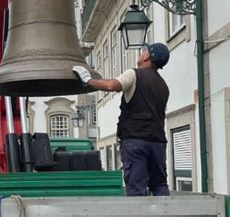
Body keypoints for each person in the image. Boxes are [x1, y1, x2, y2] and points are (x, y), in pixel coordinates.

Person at [73, 42, 170, 196]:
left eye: (142, 51)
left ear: (146, 56)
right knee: (160, 186)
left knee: (136, 189)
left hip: (135, 141)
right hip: (158, 143)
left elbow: (112, 85)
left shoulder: (134, 74)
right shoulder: (163, 86)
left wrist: (88, 80)